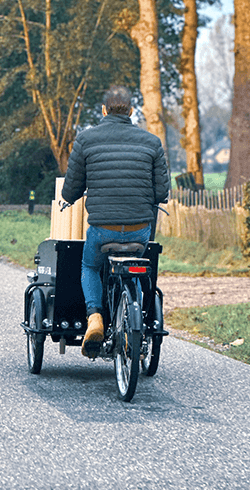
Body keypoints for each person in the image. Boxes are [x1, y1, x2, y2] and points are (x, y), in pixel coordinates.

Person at [62, 85, 170, 357]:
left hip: (102, 231)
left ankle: (95, 317)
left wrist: (74, 195)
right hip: (139, 231)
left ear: (103, 110)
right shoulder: (152, 142)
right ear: (132, 110)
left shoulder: (86, 140)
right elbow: (161, 193)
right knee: (138, 267)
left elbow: (70, 190)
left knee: (89, 265)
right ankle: (137, 319)